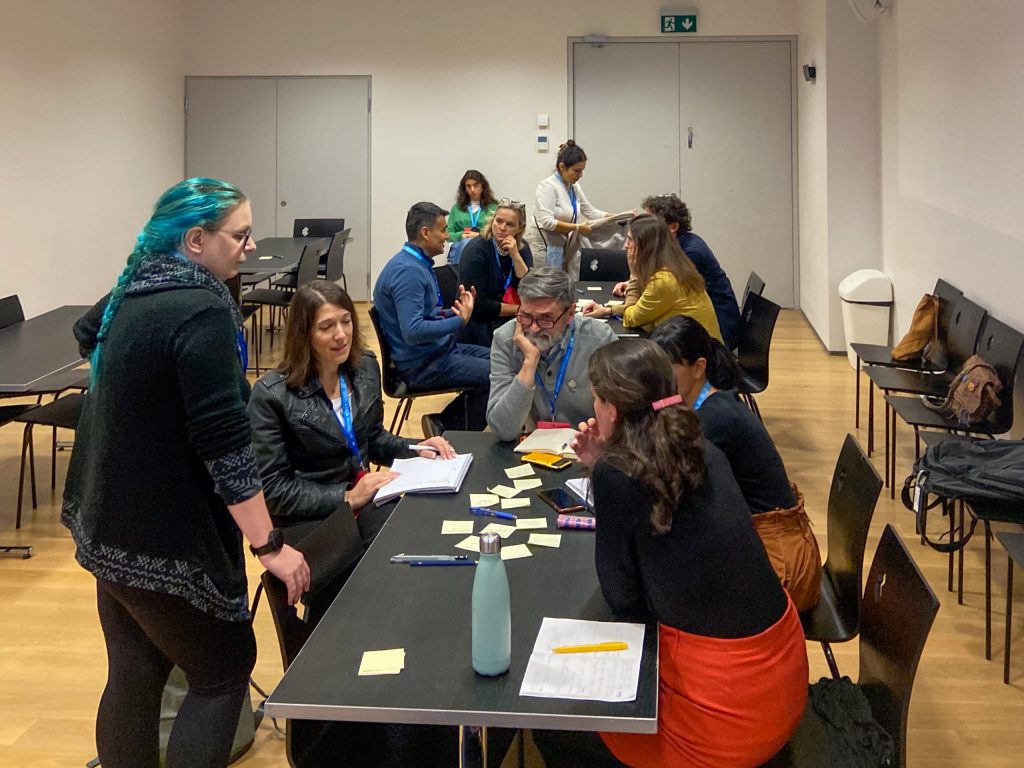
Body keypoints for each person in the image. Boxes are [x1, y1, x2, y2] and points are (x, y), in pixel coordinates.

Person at [61, 178, 310, 768]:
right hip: (163, 537)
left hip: (105, 529)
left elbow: (85, 333)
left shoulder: (135, 290)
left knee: (135, 669)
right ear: (195, 241)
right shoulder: (199, 308)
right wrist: (269, 544)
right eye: (240, 235)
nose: (250, 247)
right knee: (222, 672)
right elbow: (226, 444)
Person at [534, 340, 808, 768]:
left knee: (550, 724)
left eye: (597, 398)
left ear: (612, 409)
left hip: (725, 717)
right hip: (781, 674)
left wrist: (604, 470)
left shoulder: (616, 474)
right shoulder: (700, 444)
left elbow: (620, 597)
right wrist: (605, 460)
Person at [248, 280, 455, 622]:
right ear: (304, 335)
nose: (341, 335)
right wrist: (346, 498)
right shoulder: (271, 396)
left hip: (360, 501)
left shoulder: (364, 368)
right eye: (326, 327)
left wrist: (415, 448)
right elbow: (274, 492)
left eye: (346, 321)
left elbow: (371, 439)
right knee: (383, 562)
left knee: (421, 532)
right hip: (310, 519)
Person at [650, 316, 821, 612]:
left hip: (779, 565)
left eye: (667, 370)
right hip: (760, 542)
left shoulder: (715, 421)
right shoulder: (706, 401)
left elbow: (662, 474)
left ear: (698, 367)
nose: (658, 380)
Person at [373, 201, 491, 437]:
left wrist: (455, 312)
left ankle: (446, 424)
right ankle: (447, 430)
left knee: (503, 362)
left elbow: (426, 315)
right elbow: (413, 331)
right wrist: (460, 321)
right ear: (425, 233)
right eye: (443, 230)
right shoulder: (408, 272)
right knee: (498, 376)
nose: (447, 237)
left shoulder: (415, 263)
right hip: (422, 365)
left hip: (438, 352)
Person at [487, 266, 616, 440]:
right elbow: (503, 430)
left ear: (570, 313)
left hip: (591, 446)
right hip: (534, 448)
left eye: (545, 318)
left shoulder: (600, 340)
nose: (533, 327)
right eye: (525, 316)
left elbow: (622, 418)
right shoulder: (505, 339)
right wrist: (529, 363)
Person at [582, 213, 722, 339]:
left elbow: (632, 318)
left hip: (695, 358)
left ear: (646, 246)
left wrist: (634, 274)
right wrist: (608, 310)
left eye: (630, 240)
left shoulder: (663, 280)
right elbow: (645, 312)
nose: (626, 246)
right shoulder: (675, 264)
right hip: (695, 348)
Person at [631, 193, 741, 349]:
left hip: (718, 331)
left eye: (652, 223)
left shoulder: (689, 253)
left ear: (673, 227)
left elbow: (660, 290)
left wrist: (635, 278)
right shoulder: (681, 244)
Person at [457, 199, 533, 347]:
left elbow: (530, 289)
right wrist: (520, 310)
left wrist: (516, 256)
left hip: (510, 318)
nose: (502, 228)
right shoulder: (476, 251)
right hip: (480, 324)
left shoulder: (522, 248)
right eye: (498, 221)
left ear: (519, 228)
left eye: (510, 224)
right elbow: (479, 306)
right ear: (492, 221)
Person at [529, 139, 611, 276]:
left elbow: (590, 212)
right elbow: (547, 222)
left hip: (560, 243)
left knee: (558, 281)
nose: (580, 175)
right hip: (543, 243)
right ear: (562, 167)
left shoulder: (574, 187)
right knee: (545, 284)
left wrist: (621, 217)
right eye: (577, 171)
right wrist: (578, 228)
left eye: (582, 171)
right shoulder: (548, 186)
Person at [447, 169, 498, 243]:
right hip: (460, 246)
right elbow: (448, 235)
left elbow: (496, 233)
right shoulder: (456, 208)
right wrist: (462, 235)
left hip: (484, 245)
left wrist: (478, 235)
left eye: (475, 185)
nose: (472, 189)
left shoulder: (493, 208)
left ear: (482, 187)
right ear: (464, 189)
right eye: (468, 186)